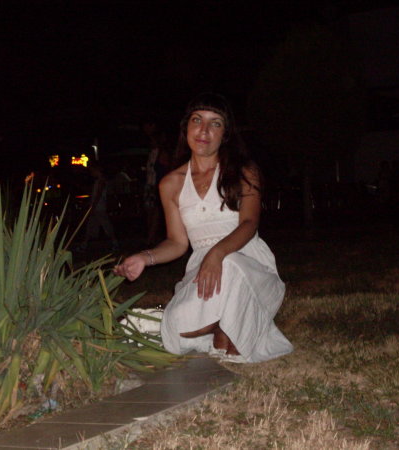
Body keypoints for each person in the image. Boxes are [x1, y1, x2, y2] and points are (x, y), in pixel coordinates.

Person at [114, 93, 293, 363]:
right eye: (197, 120)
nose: (204, 130)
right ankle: (219, 324)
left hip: (246, 262)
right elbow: (177, 243)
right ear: (186, 127)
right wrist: (144, 257)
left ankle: (228, 324)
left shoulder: (244, 172)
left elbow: (249, 223)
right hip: (203, 272)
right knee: (175, 334)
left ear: (225, 134)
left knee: (231, 264)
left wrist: (217, 253)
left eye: (215, 123)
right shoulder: (171, 183)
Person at [77, 161, 119, 252]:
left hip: (99, 207)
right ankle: (84, 244)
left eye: (92, 171)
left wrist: (93, 206)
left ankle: (115, 243)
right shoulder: (98, 181)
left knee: (106, 225)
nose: (91, 173)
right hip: (97, 207)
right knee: (91, 225)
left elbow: (98, 194)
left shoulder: (101, 181)